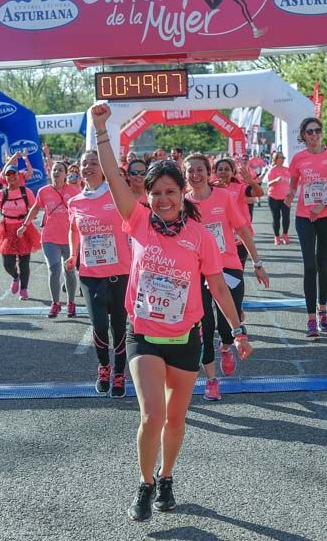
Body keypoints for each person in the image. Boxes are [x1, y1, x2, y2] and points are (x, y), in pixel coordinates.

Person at [89, 103, 252, 522]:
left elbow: (217, 286)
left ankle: (166, 477)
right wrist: (100, 129)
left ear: (182, 195)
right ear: (147, 195)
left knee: (176, 421)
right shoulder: (138, 221)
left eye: (170, 192)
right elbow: (111, 176)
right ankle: (144, 485)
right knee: (152, 416)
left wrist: (238, 330)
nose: (163, 199)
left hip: (186, 338)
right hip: (144, 334)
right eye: (156, 192)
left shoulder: (200, 236)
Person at [185, 154, 269, 401]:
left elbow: (242, 229)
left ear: (207, 171)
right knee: (204, 326)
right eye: (190, 171)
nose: (195, 175)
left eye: (200, 169)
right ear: (185, 174)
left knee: (226, 323)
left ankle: (226, 346)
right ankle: (211, 380)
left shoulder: (224, 197)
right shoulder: (183, 204)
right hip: (198, 271)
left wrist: (258, 263)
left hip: (228, 267)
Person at [66, 150, 132, 398]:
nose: (89, 167)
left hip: (120, 272)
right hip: (90, 274)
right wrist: (73, 254)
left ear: (103, 168)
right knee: (100, 325)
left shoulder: (116, 194)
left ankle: (119, 372)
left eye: (94, 163)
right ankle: (104, 366)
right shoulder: (75, 202)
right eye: (85, 164)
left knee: (119, 326)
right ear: (79, 169)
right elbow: (73, 230)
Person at [286, 117, 327, 338]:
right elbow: (293, 183)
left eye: (317, 131)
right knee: (309, 266)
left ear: (321, 134)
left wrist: (323, 204)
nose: (313, 135)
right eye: (309, 132)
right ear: (303, 135)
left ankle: (323, 310)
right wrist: (289, 194)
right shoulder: (298, 158)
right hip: (305, 217)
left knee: (322, 265)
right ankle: (311, 319)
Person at [19, 161, 80, 318]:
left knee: (69, 271)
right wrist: (25, 225)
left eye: (60, 170)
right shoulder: (43, 191)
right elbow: (35, 209)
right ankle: (55, 304)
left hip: (69, 238)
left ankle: (71, 303)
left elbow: (83, 210)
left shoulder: (74, 191)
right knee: (54, 271)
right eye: (54, 170)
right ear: (50, 173)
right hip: (49, 238)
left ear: (66, 174)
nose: (57, 172)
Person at [0, 163, 40, 300]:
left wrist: (30, 218)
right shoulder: (2, 193)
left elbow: (34, 208)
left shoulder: (26, 192)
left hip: (24, 228)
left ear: (18, 175)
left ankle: (24, 289)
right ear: (5, 177)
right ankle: (15, 277)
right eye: (8, 174)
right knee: (8, 263)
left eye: (13, 174)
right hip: (6, 229)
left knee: (24, 262)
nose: (11, 177)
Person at [265, 151, 291, 245]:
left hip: (285, 198)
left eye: (283, 158)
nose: (283, 159)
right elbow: (268, 184)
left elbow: (295, 180)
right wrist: (275, 180)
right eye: (281, 158)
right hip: (274, 197)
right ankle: (276, 237)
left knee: (286, 217)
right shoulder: (272, 170)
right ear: (276, 159)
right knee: (276, 218)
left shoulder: (287, 169)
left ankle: (285, 234)